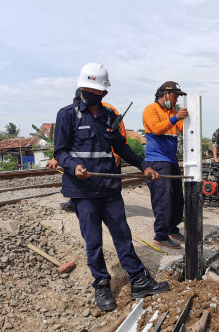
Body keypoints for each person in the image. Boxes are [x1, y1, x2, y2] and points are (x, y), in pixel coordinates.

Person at [53, 63, 169, 312]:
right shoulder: (67, 115)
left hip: (109, 187)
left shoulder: (108, 117)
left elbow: (122, 147)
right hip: (82, 191)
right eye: (89, 88)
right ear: (82, 87)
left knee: (122, 234)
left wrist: (142, 165)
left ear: (104, 93)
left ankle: (138, 279)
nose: (94, 93)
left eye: (98, 90)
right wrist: (73, 167)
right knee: (93, 240)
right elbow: (60, 152)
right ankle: (102, 282)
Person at [47, 89, 128, 211]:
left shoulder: (107, 111)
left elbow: (118, 134)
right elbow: (66, 144)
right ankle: (75, 201)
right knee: (81, 181)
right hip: (83, 162)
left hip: (107, 157)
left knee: (106, 190)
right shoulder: (71, 113)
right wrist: (56, 158)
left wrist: (116, 153)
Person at [143, 81, 188, 249]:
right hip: (157, 161)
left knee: (177, 198)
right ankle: (160, 235)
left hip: (171, 160)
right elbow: (156, 129)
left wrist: (190, 120)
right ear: (166, 94)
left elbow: (183, 128)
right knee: (163, 199)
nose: (176, 100)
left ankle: (172, 228)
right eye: (175, 96)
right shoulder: (151, 109)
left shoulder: (172, 112)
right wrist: (176, 117)